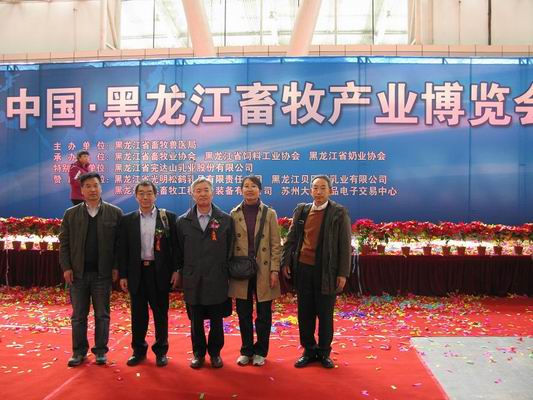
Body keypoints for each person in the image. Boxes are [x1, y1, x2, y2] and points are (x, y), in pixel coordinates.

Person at [281, 175, 351, 369]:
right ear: (310, 190)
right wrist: (285, 262)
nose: (318, 192)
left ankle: (324, 352)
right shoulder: (302, 211)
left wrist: (342, 273)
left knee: (325, 313)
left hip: (326, 271)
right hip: (303, 269)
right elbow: (291, 239)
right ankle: (309, 350)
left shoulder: (338, 213)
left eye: (322, 188)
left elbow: (345, 246)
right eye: (315, 188)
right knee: (305, 313)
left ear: (330, 191)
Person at [59, 172, 123, 367]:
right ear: (81, 190)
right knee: (79, 316)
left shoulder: (114, 212)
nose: (92, 189)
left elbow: (119, 245)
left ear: (101, 187)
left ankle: (101, 351)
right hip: (78, 274)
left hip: (102, 274)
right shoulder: (71, 214)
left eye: (95, 185)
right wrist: (66, 267)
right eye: (88, 186)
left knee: (102, 315)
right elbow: (64, 243)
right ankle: (78, 352)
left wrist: (116, 266)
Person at [118, 180, 179, 367]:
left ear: (155, 195)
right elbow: (123, 250)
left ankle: (161, 351)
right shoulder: (127, 220)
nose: (145, 197)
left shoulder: (167, 218)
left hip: (159, 272)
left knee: (160, 314)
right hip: (137, 273)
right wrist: (123, 275)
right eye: (141, 193)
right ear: (136, 196)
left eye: (149, 193)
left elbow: (175, 248)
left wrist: (176, 270)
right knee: (138, 315)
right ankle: (138, 351)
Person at [176, 176, 233, 369]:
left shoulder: (225, 220)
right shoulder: (183, 221)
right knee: (196, 319)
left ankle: (215, 353)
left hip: (217, 276)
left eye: (206, 190)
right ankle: (198, 353)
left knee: (217, 318)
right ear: (192, 195)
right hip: (193, 278)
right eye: (198, 191)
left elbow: (230, 248)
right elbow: (179, 251)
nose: (202, 194)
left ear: (213, 193)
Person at [228, 175, 281, 367]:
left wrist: (274, 270)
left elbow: (275, 244)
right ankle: (246, 350)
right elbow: (229, 244)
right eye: (246, 186)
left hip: (264, 270)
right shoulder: (234, 213)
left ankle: (260, 351)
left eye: (253, 186)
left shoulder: (269, 213)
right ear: (241, 190)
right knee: (243, 313)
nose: (249, 189)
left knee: (264, 313)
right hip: (241, 270)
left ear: (260, 190)